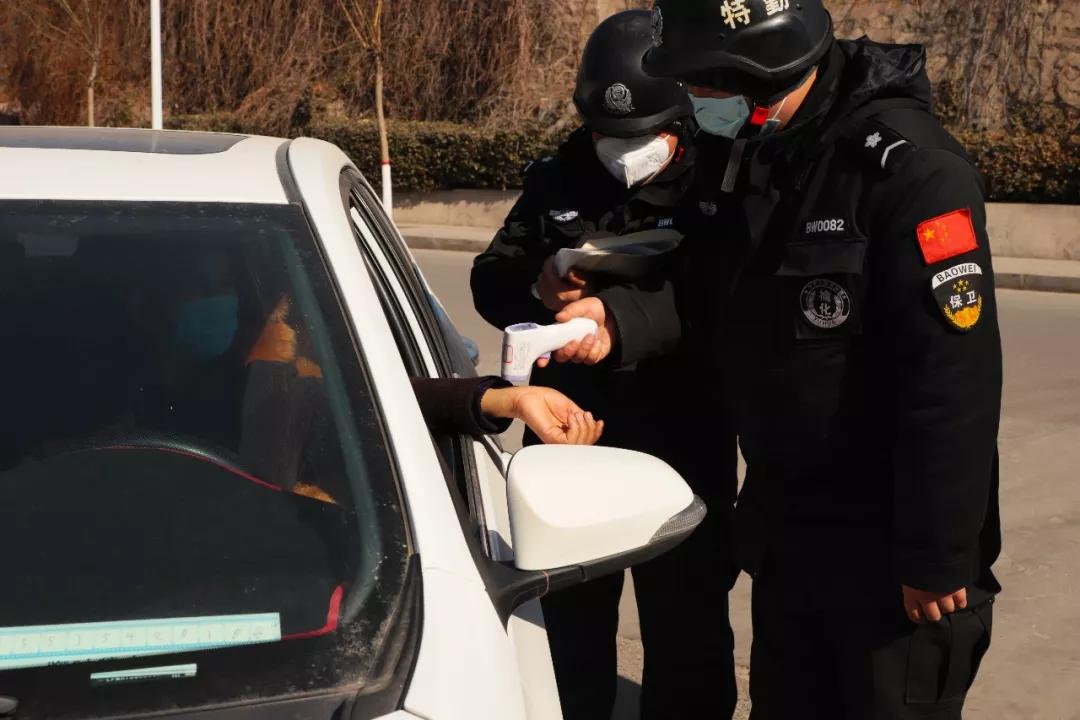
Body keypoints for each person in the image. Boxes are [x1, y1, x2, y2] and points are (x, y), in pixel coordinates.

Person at [550, 2, 1003, 718]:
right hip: (791, 536)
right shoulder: (763, 155)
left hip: (890, 560)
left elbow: (952, 383)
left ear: (755, 72)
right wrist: (617, 319)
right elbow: (711, 292)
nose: (693, 100)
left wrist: (936, 554)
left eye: (702, 83)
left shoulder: (908, 173)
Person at [472, 10, 739, 720]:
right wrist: (537, 288)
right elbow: (490, 276)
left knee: (686, 630)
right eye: (606, 135)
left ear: (680, 121)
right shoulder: (560, 176)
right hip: (569, 435)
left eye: (640, 137)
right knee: (569, 630)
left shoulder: (720, 180)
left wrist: (618, 321)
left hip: (683, 436)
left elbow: (723, 297)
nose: (622, 152)